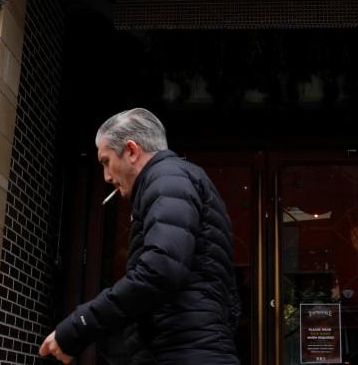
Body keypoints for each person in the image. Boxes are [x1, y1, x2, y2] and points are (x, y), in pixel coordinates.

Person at [39, 108, 241, 365]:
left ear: (132, 151)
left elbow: (159, 270)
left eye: (105, 161)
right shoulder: (171, 181)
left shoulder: (168, 179)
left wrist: (77, 328)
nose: (107, 176)